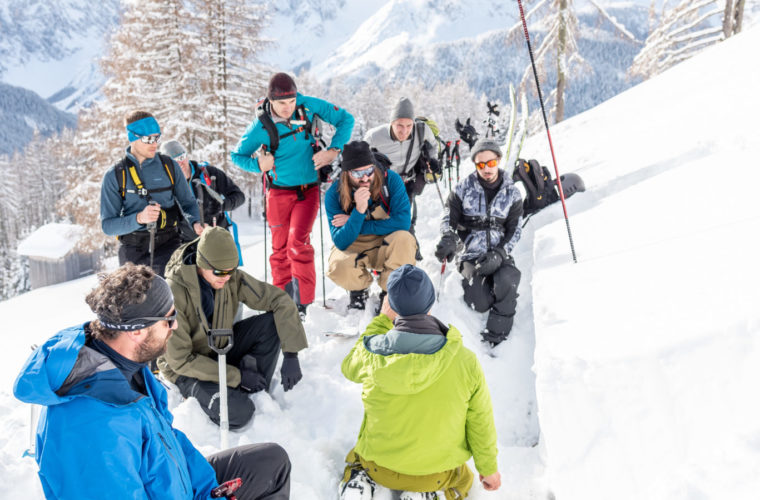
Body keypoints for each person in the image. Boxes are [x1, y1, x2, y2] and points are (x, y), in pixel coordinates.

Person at [13, 263, 291, 499]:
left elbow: (168, 440)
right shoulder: (93, 429)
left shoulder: (122, 364)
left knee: (271, 462)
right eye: (168, 320)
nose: (176, 327)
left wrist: (209, 489)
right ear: (136, 331)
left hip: (176, 484)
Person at [338, 264, 501, 500]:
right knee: (460, 477)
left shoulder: (371, 353)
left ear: (391, 306)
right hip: (437, 474)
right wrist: (488, 469)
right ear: (430, 303)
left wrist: (382, 321)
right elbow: (480, 422)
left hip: (379, 467)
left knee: (359, 456)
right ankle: (426, 494)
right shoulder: (464, 361)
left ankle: (359, 481)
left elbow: (348, 366)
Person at [157, 226, 308, 429]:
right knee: (239, 414)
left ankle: (253, 388)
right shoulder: (175, 291)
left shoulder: (230, 277)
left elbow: (279, 300)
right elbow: (181, 360)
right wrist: (237, 376)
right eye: (220, 271)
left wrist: (291, 354)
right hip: (187, 369)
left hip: (220, 349)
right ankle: (232, 389)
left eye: (231, 270)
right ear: (203, 263)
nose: (226, 277)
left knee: (271, 323)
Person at [231, 72, 355, 317]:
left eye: (291, 101)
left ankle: (304, 305)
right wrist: (259, 166)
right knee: (279, 250)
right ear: (270, 101)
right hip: (277, 193)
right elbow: (237, 156)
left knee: (298, 243)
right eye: (281, 103)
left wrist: (333, 151)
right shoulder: (261, 125)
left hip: (307, 190)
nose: (288, 108)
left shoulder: (308, 105)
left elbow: (345, 119)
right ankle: (281, 303)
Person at [434, 138, 523, 345]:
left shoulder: (512, 193)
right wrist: (448, 237)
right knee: (479, 303)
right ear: (475, 164)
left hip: (500, 252)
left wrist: (500, 253)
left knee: (508, 279)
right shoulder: (463, 189)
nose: (486, 169)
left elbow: (515, 229)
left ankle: (497, 335)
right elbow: (448, 217)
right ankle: (490, 289)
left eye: (491, 163)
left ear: (498, 160)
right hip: (471, 253)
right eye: (481, 164)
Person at [100, 111, 202, 277]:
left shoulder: (170, 166)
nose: (154, 143)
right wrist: (139, 218)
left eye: (157, 137)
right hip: (133, 253)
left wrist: (196, 222)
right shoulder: (115, 175)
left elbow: (188, 202)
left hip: (170, 245)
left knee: (173, 298)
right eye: (148, 139)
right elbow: (108, 226)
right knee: (140, 302)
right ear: (132, 137)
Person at [324, 140, 416, 311]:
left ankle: (389, 292)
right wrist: (358, 210)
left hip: (385, 243)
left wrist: (354, 222)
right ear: (346, 173)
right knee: (338, 265)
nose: (365, 178)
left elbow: (402, 222)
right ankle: (358, 291)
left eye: (368, 171)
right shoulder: (334, 195)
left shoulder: (391, 181)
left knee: (404, 239)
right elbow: (341, 242)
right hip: (355, 245)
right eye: (357, 174)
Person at [364, 97, 440, 260]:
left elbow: (434, 147)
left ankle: (409, 250)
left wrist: (432, 160)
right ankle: (391, 251)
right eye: (399, 125)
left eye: (408, 125)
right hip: (383, 184)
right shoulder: (375, 136)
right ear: (391, 122)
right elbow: (359, 159)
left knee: (403, 218)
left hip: (407, 182)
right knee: (385, 218)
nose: (404, 131)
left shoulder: (422, 131)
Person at [160, 139, 246, 242]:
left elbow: (239, 196)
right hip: (187, 244)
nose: (180, 163)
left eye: (181, 157)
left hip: (218, 237)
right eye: (174, 161)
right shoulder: (164, 186)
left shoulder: (209, 173)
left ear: (187, 156)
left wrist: (222, 205)